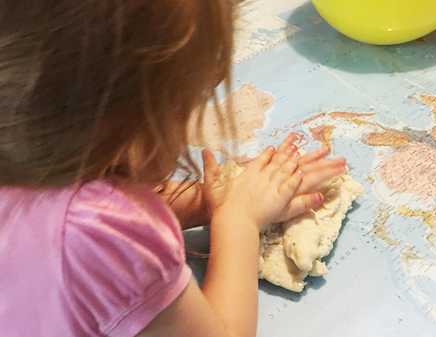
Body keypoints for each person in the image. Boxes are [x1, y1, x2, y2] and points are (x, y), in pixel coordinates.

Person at [0, 1, 346, 337]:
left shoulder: (23, 150)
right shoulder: (97, 234)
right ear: (125, 116)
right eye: (188, 102)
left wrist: (204, 201)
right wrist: (239, 219)